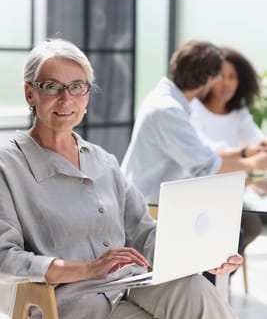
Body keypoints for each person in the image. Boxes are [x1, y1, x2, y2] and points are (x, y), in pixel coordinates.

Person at [0, 39, 242, 319]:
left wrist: (205, 254)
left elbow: (143, 231)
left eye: (77, 87)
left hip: (132, 284)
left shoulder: (103, 161)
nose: (66, 99)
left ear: (87, 95)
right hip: (75, 300)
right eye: (52, 87)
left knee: (196, 289)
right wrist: (87, 268)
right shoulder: (8, 165)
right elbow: (5, 257)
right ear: (30, 94)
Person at [121, 41, 267, 203]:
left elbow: (201, 150)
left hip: (159, 201)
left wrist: (245, 152)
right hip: (146, 207)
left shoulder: (167, 101)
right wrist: (252, 163)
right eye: (219, 76)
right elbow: (205, 166)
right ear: (209, 79)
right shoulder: (169, 111)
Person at [190, 47, 267, 249]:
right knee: (242, 228)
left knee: (251, 226)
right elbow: (204, 150)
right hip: (197, 191)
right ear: (209, 79)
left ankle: (224, 275)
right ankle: (217, 274)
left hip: (229, 191)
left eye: (232, 76)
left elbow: (256, 140)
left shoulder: (239, 113)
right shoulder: (194, 109)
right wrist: (249, 159)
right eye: (221, 76)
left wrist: (260, 148)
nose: (226, 82)